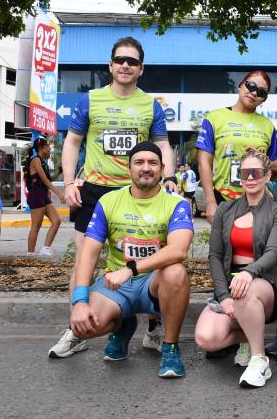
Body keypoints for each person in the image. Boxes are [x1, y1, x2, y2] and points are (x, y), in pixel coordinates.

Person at [51, 37, 176, 358]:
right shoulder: (90, 100)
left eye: (132, 61)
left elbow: (162, 146)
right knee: (83, 261)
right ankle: (76, 327)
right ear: (110, 65)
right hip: (94, 192)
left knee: (150, 263)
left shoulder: (151, 105)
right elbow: (73, 141)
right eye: (120, 59)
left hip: (141, 193)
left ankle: (153, 327)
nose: (125, 65)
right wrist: (68, 182)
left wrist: (171, 178)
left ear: (141, 69)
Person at [64, 141, 193, 378]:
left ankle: (170, 347)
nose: (146, 168)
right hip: (117, 285)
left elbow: (178, 250)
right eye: (139, 162)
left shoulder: (178, 204)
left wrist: (130, 270)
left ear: (162, 169)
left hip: (154, 283)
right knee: (82, 327)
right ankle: (123, 326)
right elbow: (89, 254)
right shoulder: (109, 201)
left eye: (152, 163)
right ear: (129, 168)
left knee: (175, 271)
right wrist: (80, 301)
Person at [194, 148, 277, 388]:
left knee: (245, 290)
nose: (250, 178)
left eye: (256, 172)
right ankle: (248, 334)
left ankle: (259, 360)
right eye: (244, 172)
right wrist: (223, 296)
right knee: (206, 339)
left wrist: (248, 272)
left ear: (267, 176)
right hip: (229, 283)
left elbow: (272, 253)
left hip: (263, 284)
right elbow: (214, 256)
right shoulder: (226, 209)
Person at [196, 70, 277, 225]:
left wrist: (260, 159)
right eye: (250, 85)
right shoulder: (214, 118)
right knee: (224, 249)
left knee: (257, 248)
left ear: (264, 99)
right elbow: (203, 162)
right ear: (241, 85)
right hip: (223, 199)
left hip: (259, 202)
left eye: (261, 92)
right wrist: (211, 202)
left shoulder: (267, 125)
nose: (253, 93)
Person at [25, 138, 64, 257]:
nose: (50, 148)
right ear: (41, 148)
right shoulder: (36, 160)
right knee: (36, 225)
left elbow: (49, 178)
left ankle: (46, 248)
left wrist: (58, 171)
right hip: (36, 194)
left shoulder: (43, 161)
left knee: (56, 221)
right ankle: (30, 254)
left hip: (43, 194)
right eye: (47, 146)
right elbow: (45, 180)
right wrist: (59, 193)